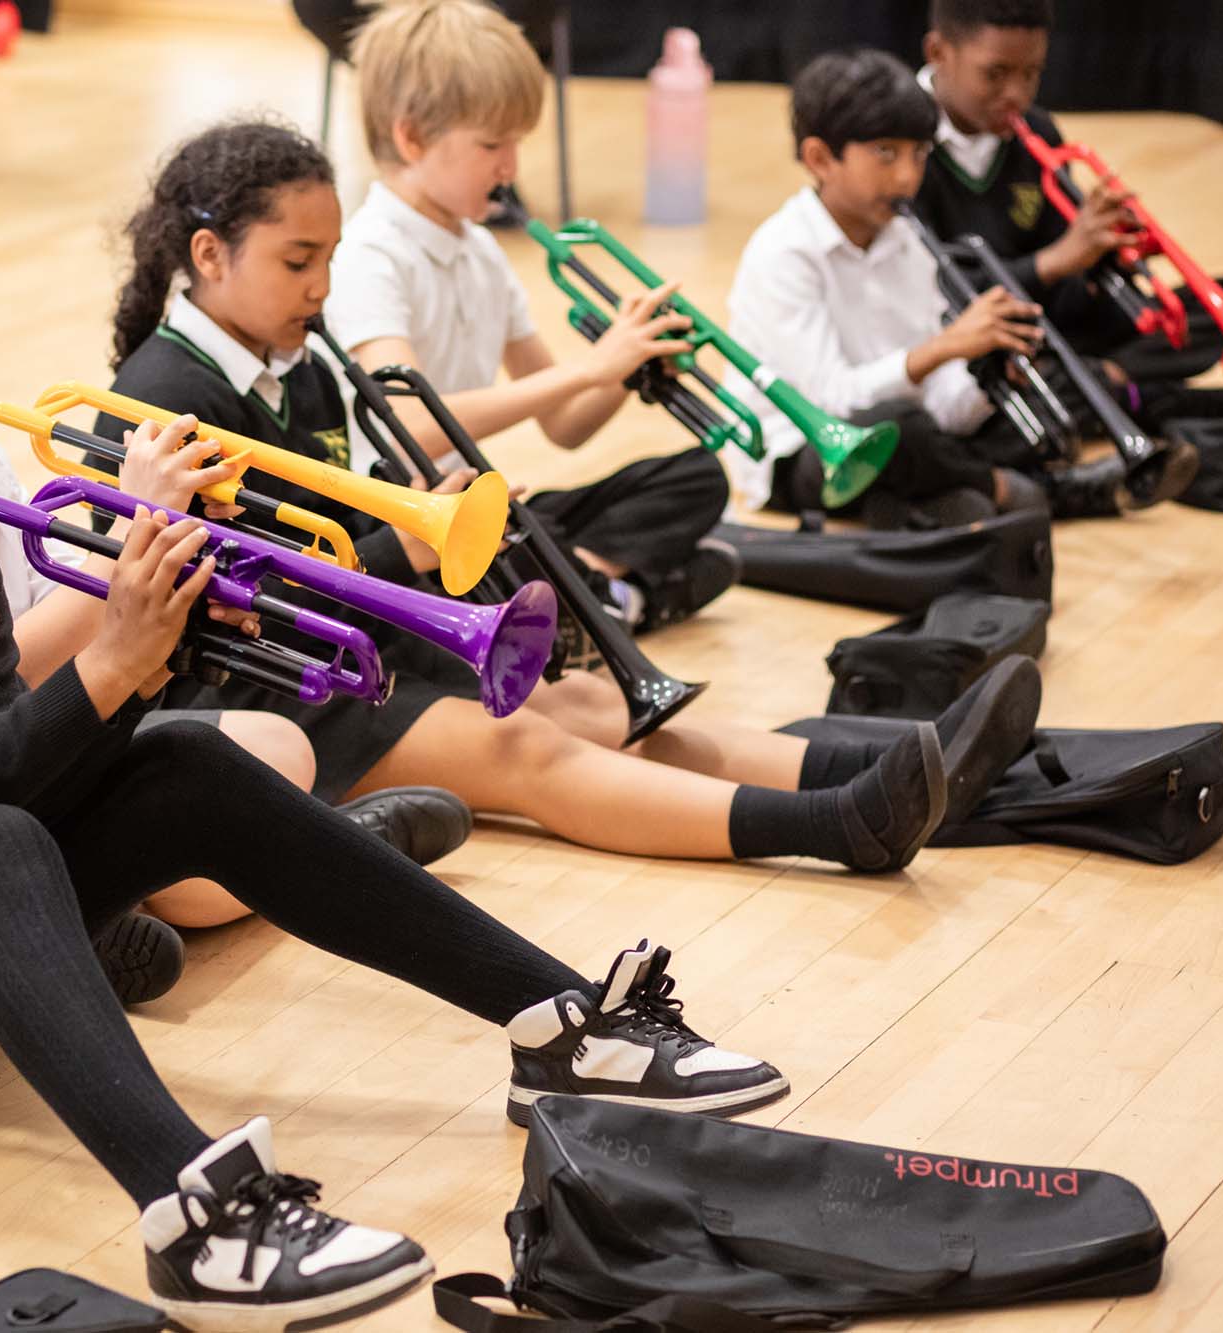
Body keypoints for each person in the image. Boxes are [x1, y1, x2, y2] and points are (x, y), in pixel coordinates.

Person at [0, 271, 794, 1329]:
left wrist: (147, 665)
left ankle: (556, 1025)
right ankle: (194, 1219)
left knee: (188, 762)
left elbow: (4, 733)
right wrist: (108, 659)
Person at [104, 118, 1047, 892]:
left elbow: (335, 530)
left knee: (592, 702)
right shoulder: (166, 391)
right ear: (209, 255)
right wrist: (400, 549)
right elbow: (209, 597)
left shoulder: (295, 362)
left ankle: (884, 771)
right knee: (524, 748)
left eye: (331, 261)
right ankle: (834, 822)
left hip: (340, 642)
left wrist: (419, 519)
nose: (323, 289)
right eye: (299, 262)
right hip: (254, 693)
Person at [0, 195, 475, 939]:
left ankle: (155, 892)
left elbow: (34, 641)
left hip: (18, 742)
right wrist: (135, 538)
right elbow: (0, 679)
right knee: (203, 818)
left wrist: (171, 583)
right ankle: (302, 860)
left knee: (267, 748)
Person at [321, 0, 735, 633]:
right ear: (411, 137)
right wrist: (591, 368)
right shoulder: (369, 255)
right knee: (510, 544)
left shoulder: (480, 250)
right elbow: (409, 424)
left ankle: (591, 594)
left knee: (697, 477)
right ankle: (603, 594)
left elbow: (565, 426)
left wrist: (629, 365)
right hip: (399, 528)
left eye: (516, 142)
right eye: (492, 144)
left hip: (467, 510)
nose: (511, 167)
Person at [725, 48, 1166, 525]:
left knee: (1046, 393)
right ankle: (1031, 491)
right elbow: (833, 401)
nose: (908, 176)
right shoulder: (785, 253)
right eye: (885, 154)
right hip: (806, 452)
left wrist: (988, 378)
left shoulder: (908, 242)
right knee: (899, 428)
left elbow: (940, 402)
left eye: (919, 155)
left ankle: (939, 503)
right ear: (820, 158)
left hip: (909, 431)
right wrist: (940, 350)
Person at [912, 0, 1223, 429]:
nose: (1016, 95)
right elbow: (932, 299)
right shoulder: (899, 151)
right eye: (995, 74)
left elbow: (1068, 294)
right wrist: (1057, 259)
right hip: (983, 349)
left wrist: (1105, 255)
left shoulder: (1037, 131)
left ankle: (1109, 386)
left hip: (1057, 330)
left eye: (1032, 73)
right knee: (1001, 401)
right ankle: (1134, 395)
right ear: (938, 52)